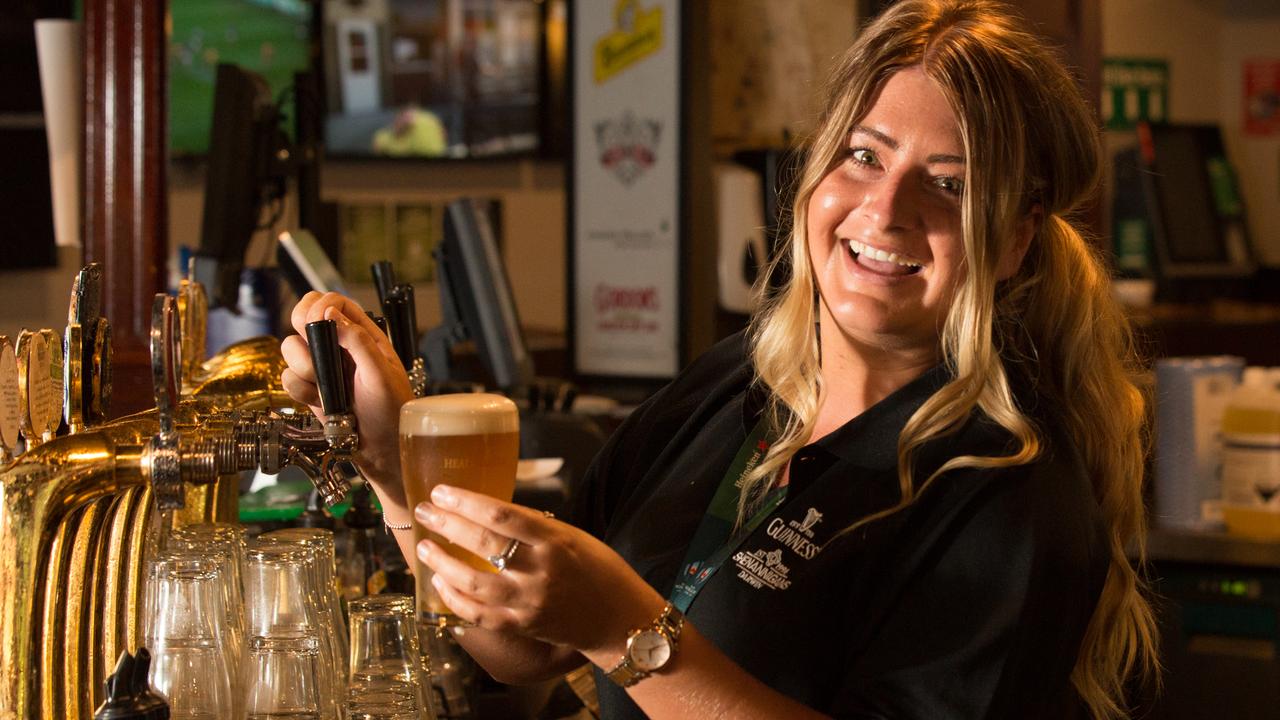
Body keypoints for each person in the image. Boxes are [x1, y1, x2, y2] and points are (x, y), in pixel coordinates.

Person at [280, 1, 1160, 717]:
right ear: (816, 170)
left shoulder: (1010, 494)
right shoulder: (732, 385)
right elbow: (525, 649)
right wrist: (393, 464)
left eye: (951, 183)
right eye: (864, 155)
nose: (886, 211)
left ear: (1013, 240)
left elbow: (599, 629)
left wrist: (630, 631)